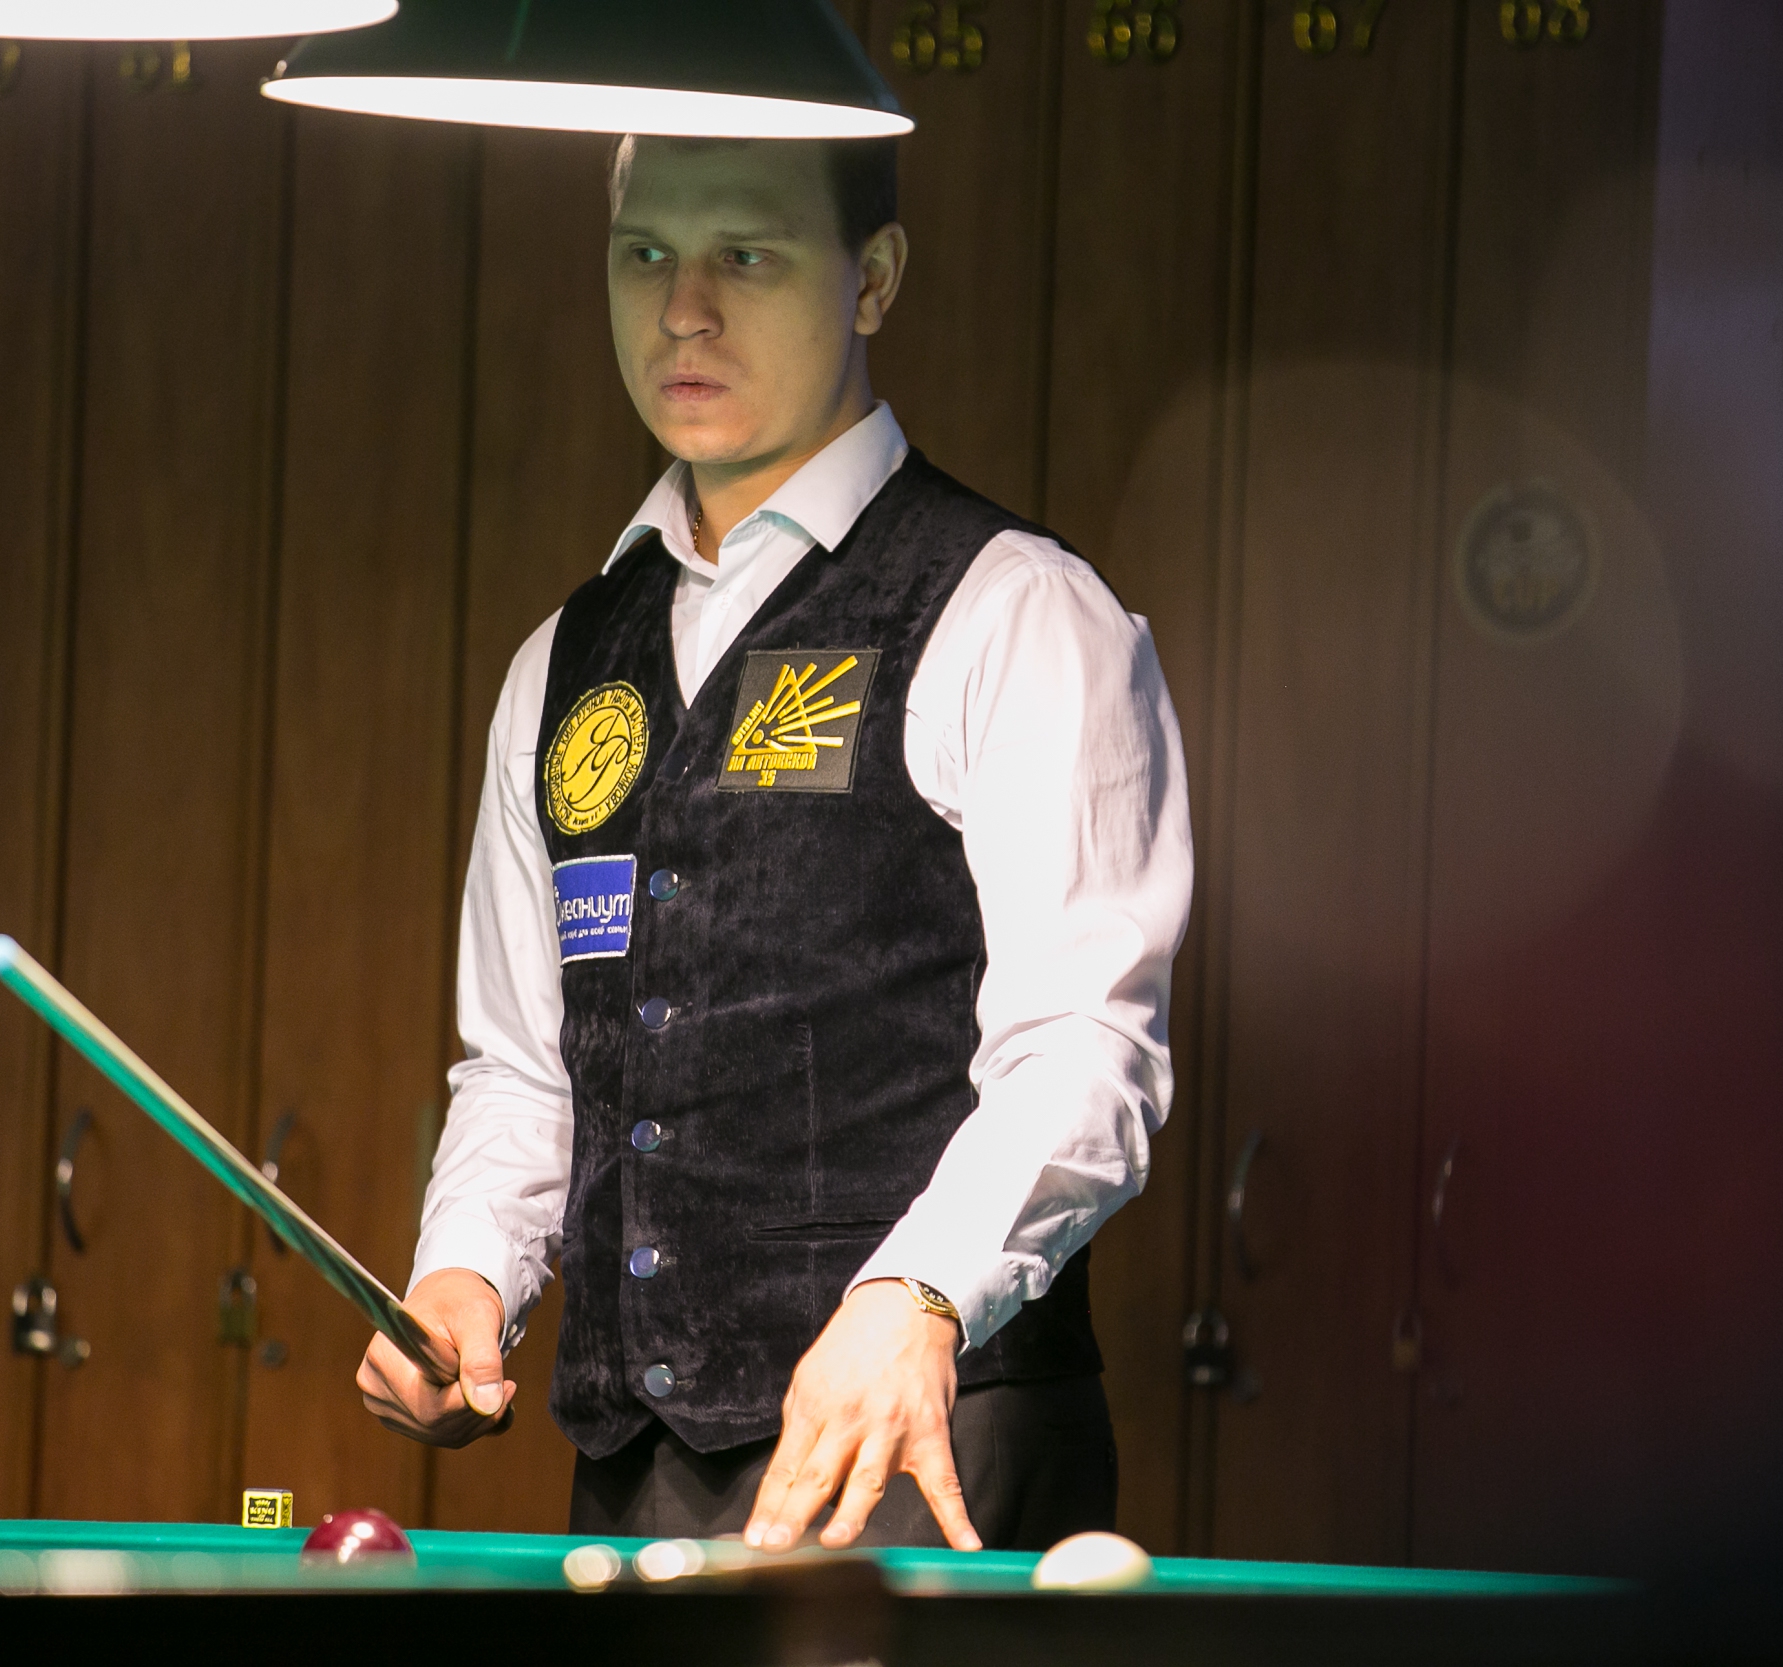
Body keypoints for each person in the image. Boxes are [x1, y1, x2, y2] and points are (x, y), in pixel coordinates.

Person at [358, 131, 1191, 1555]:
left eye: (744, 255)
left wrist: (916, 1295)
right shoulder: (562, 662)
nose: (684, 309)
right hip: (636, 1475)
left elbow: (1084, 1046)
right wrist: (463, 1276)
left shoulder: (1014, 609)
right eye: (645, 255)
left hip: (925, 1445)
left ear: (873, 279)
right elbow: (528, 1069)